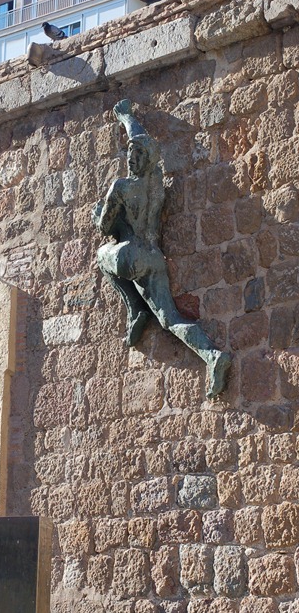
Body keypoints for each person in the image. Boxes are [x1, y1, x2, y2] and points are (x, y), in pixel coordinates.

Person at [92, 99, 231, 399]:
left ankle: (135, 309)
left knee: (101, 257)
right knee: (171, 320)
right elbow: (141, 140)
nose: (131, 159)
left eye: (136, 155)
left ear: (144, 159)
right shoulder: (155, 180)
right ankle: (212, 355)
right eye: (130, 153)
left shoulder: (121, 188)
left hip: (130, 256)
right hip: (154, 257)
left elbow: (104, 228)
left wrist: (100, 213)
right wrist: (127, 117)